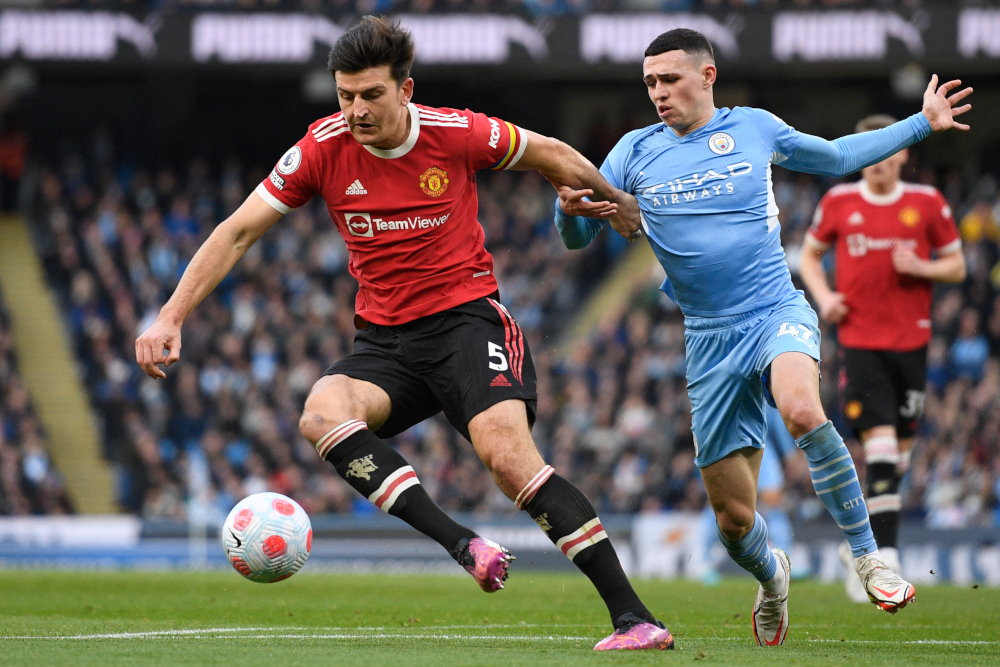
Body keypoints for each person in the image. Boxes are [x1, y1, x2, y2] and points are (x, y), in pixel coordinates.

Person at [134, 16, 672, 652]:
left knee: (507, 458)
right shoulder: (319, 149)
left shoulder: (455, 133)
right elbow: (238, 230)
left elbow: (551, 150)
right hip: (386, 343)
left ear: (405, 90)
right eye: (344, 96)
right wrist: (170, 314)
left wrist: (616, 202)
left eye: (370, 95)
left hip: (467, 323)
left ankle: (633, 617)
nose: (355, 110)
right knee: (321, 412)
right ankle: (462, 543)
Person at [550, 28, 971, 646]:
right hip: (708, 339)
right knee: (733, 520)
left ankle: (871, 557)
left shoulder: (753, 128)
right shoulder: (633, 152)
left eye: (670, 80)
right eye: (650, 84)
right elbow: (576, 238)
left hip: (775, 309)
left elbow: (834, 157)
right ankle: (773, 577)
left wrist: (921, 123)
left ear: (707, 75)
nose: (659, 94)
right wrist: (568, 210)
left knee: (801, 408)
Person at [799, 114, 965, 603]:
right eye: (868, 149)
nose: (878, 160)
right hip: (860, 341)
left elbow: (956, 264)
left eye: (886, 149)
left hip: (911, 342)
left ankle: (859, 551)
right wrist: (824, 297)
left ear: (902, 152)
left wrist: (923, 267)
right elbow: (809, 256)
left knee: (898, 456)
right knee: (882, 447)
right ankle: (884, 558)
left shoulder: (927, 203)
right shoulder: (838, 201)